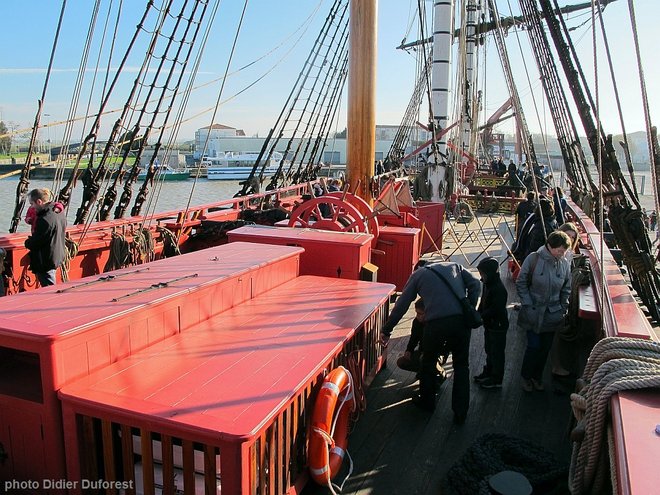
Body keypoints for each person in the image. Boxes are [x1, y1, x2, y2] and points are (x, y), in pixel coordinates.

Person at [379, 261, 481, 423]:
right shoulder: (455, 266)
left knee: (428, 362)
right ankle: (461, 411)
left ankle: (427, 402)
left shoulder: (418, 275)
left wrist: (387, 329)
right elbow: (475, 284)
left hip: (436, 324)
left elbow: (402, 304)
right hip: (461, 322)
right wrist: (470, 306)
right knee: (462, 365)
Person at [515, 231, 572, 392]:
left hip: (552, 314)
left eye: (564, 251)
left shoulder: (564, 264)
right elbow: (521, 282)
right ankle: (526, 377)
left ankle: (537, 377)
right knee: (533, 346)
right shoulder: (533, 259)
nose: (562, 254)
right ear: (549, 246)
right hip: (533, 311)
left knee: (544, 349)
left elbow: (566, 288)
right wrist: (527, 303)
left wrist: (563, 308)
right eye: (560, 250)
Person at [473, 257, 509, 389]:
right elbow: (483, 300)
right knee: (489, 349)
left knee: (497, 352)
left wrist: (481, 315)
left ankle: (496, 378)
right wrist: (479, 311)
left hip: (497, 325)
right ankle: (488, 371)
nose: (481, 277)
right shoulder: (488, 284)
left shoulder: (499, 289)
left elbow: (496, 309)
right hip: (490, 324)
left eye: (482, 274)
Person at [24, 188, 67, 287]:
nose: (32, 207)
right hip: (55, 255)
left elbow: (38, 241)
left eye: (32, 204)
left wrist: (27, 242)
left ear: (39, 201)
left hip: (45, 260)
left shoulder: (45, 219)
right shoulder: (58, 212)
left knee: (49, 287)